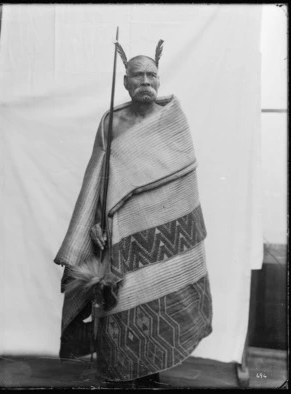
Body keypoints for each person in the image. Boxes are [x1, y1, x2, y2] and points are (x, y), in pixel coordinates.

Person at [54, 40, 213, 388]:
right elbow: (97, 177)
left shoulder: (173, 120)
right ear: (125, 81)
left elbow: (185, 173)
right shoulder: (111, 122)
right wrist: (95, 221)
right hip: (122, 228)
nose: (145, 81)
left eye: (151, 74)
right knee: (121, 298)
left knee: (165, 294)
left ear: (159, 78)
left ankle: (153, 368)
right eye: (137, 75)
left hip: (169, 232)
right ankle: (119, 371)